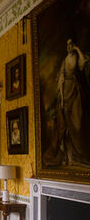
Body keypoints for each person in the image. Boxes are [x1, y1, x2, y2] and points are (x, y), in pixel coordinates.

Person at [43, 38, 90, 167]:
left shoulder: (76, 56)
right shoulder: (64, 60)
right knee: (66, 124)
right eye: (67, 45)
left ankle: (80, 155)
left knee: (77, 123)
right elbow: (60, 79)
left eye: (71, 44)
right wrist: (62, 98)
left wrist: (77, 49)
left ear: (74, 45)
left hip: (74, 92)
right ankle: (69, 156)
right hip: (65, 93)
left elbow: (83, 63)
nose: (69, 47)